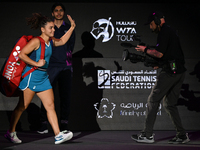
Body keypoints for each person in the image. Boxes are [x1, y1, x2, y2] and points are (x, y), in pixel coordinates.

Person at [4, 12, 76, 144]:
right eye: (51, 28)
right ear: (43, 29)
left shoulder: (51, 41)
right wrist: (36, 63)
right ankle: (11, 132)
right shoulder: (36, 41)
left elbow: (63, 41)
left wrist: (72, 27)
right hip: (31, 78)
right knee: (21, 107)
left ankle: (58, 135)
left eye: (54, 27)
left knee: (50, 106)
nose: (53, 30)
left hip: (43, 78)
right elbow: (21, 55)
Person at [131, 11, 190, 144]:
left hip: (170, 73)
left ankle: (147, 135)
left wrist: (145, 50)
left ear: (157, 21)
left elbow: (159, 53)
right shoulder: (170, 31)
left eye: (151, 24)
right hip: (179, 72)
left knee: (153, 100)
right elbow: (171, 53)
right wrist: (160, 64)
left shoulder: (164, 32)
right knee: (169, 104)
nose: (150, 28)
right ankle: (182, 135)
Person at [37, 3, 75, 134]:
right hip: (50, 67)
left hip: (65, 67)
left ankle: (64, 124)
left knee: (65, 97)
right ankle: (43, 124)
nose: (58, 12)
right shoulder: (49, 28)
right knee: (46, 96)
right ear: (52, 13)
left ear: (63, 13)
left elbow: (70, 46)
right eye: (56, 11)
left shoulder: (69, 28)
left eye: (61, 10)